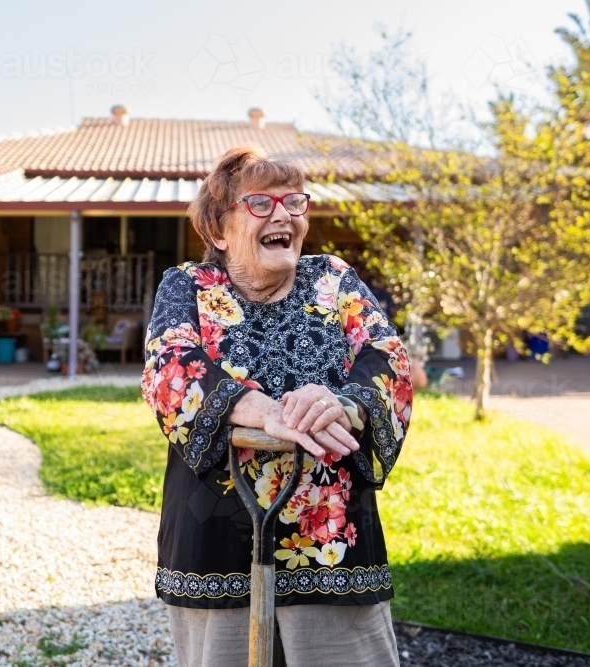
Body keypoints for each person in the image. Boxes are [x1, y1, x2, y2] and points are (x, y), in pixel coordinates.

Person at [141, 146, 413, 667]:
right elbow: (170, 370)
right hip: (218, 540)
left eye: (294, 201)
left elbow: (389, 359)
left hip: (331, 540)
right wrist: (264, 411)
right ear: (219, 231)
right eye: (260, 204)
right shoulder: (189, 287)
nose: (283, 213)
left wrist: (342, 402)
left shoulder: (332, 279)